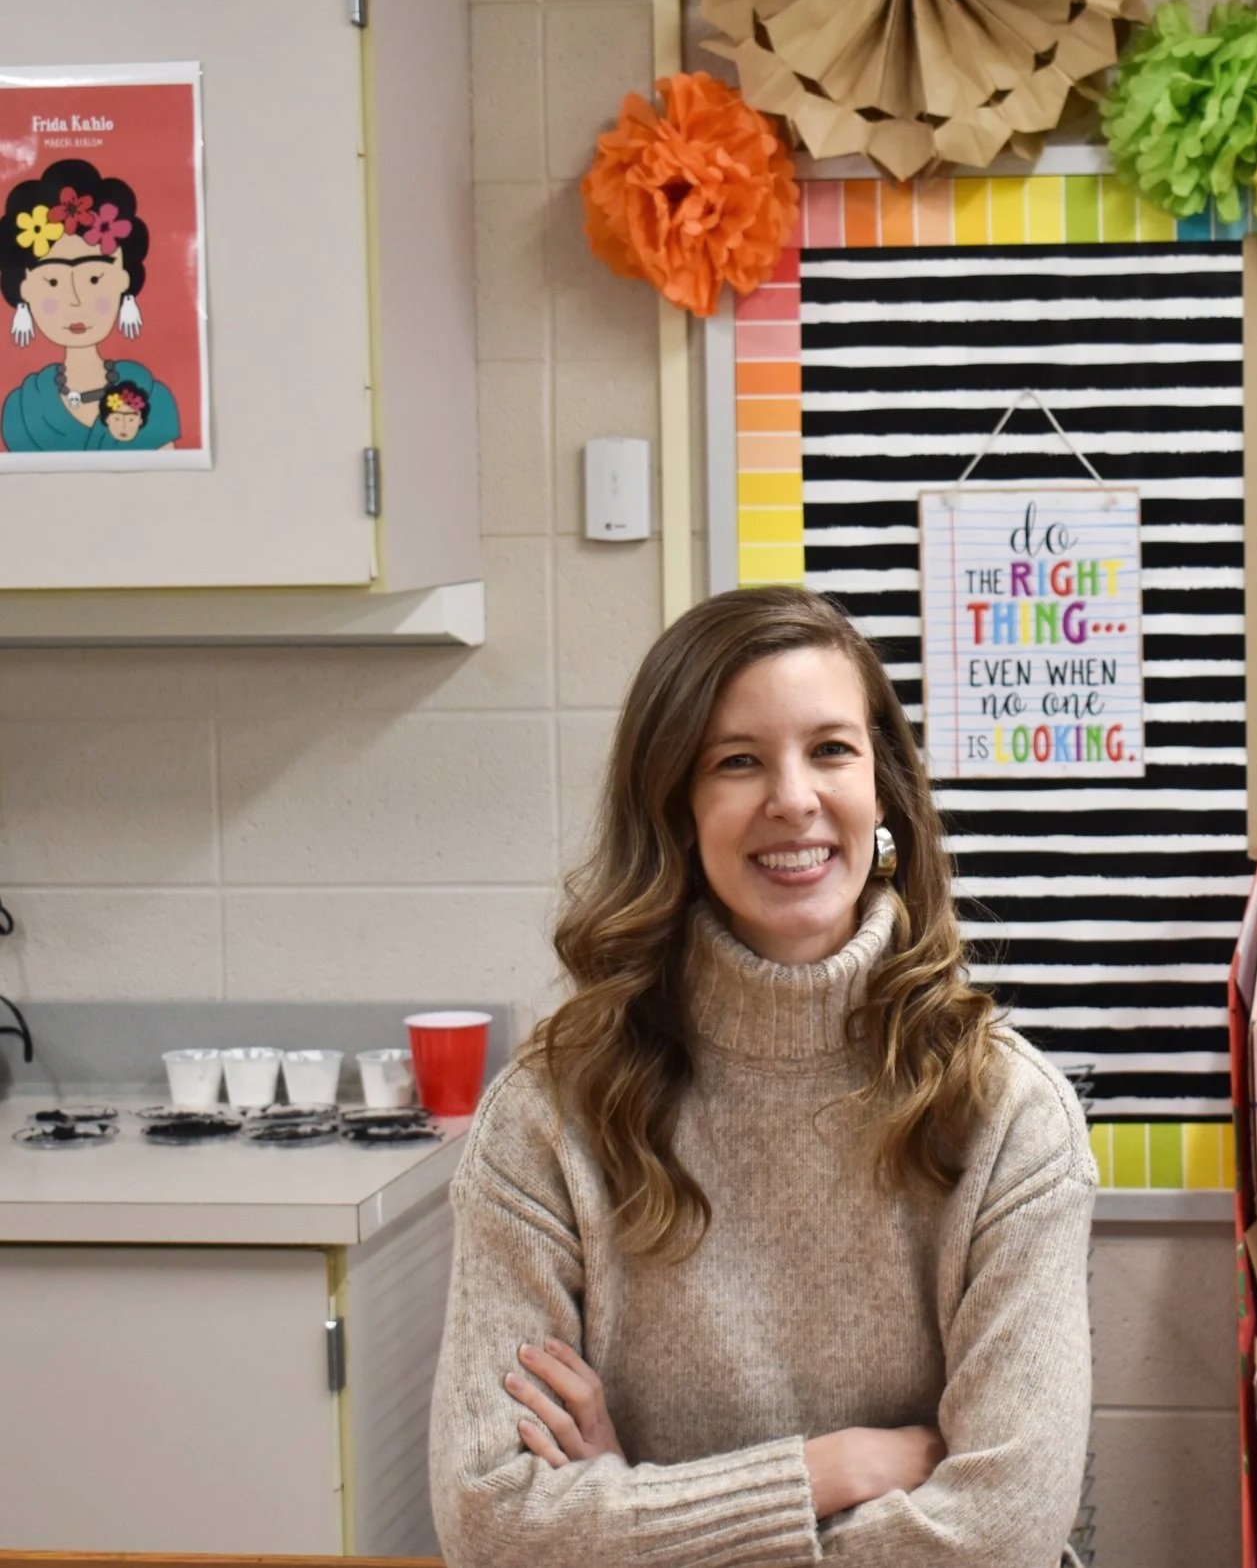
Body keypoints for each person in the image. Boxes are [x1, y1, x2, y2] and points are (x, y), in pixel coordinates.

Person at [429, 586, 1096, 1566]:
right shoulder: (547, 1115)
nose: (793, 797)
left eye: (830, 749)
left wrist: (633, 1515)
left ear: (884, 795)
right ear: (674, 809)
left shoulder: (1005, 1114)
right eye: (737, 760)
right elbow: (491, 1524)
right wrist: (826, 1471)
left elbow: (1000, 1533)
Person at [0, 158, 182, 452]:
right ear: (24, 289)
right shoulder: (21, 410)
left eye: (95, 279)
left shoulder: (149, 396)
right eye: (53, 282)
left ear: (123, 280)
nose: (75, 300)